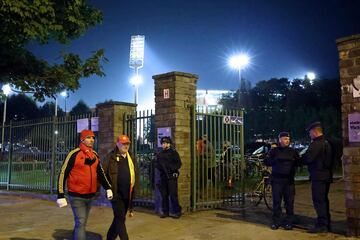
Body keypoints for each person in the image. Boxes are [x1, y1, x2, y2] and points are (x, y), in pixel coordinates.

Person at [57, 129, 113, 240]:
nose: (92, 139)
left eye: (93, 137)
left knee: (81, 222)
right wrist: (60, 194)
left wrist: (108, 188)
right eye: (88, 137)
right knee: (81, 221)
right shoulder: (74, 154)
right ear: (82, 139)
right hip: (76, 195)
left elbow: (100, 173)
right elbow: (63, 173)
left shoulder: (94, 155)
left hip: (90, 195)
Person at [103, 134, 137, 240]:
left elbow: (136, 174)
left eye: (127, 144)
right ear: (117, 144)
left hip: (128, 194)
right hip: (116, 194)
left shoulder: (131, 157)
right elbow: (102, 174)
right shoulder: (111, 157)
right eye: (123, 144)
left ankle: (110, 237)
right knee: (120, 218)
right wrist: (108, 188)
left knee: (119, 219)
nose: (126, 146)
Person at [301, 121, 333, 233]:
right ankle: (326, 223)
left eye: (310, 133)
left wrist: (299, 159)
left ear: (314, 132)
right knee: (324, 200)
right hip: (326, 176)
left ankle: (322, 225)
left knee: (318, 201)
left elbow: (308, 158)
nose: (309, 135)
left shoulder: (316, 144)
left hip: (318, 177)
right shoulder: (326, 142)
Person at [264, 132, 300, 230]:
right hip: (277, 181)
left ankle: (289, 222)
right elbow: (266, 161)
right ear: (279, 140)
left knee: (289, 203)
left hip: (289, 181)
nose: (287, 140)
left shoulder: (293, 151)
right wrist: (275, 161)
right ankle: (276, 222)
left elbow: (299, 162)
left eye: (288, 139)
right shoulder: (274, 151)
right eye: (284, 139)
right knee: (277, 203)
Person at [156, 136, 182, 218]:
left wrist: (172, 169)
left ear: (169, 144)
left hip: (171, 177)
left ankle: (177, 211)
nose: (163, 145)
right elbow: (157, 164)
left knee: (173, 195)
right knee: (164, 195)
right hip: (163, 177)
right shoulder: (160, 154)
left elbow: (178, 163)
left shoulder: (173, 153)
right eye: (162, 143)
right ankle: (165, 212)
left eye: (165, 143)